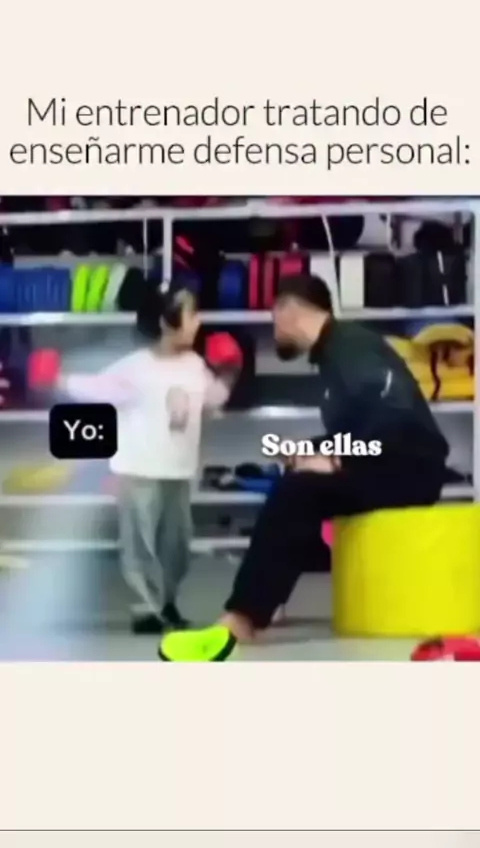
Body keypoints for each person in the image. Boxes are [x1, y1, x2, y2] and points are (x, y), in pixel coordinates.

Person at [159, 273, 450, 661]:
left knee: (298, 493)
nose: (274, 329)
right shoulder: (334, 353)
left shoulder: (352, 347)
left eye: (274, 318)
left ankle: (242, 619)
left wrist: (337, 459)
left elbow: (394, 419)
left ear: (289, 310)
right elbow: (361, 427)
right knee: (295, 484)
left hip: (409, 471)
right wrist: (308, 450)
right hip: (388, 463)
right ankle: (268, 599)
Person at [59, 285, 238, 634]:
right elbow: (94, 389)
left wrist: (231, 369)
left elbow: (214, 398)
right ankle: (146, 611)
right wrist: (56, 378)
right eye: (191, 314)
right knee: (140, 545)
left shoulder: (195, 365)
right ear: (167, 322)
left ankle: (166, 604)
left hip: (178, 472)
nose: (198, 321)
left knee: (176, 547)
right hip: (137, 471)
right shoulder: (135, 368)